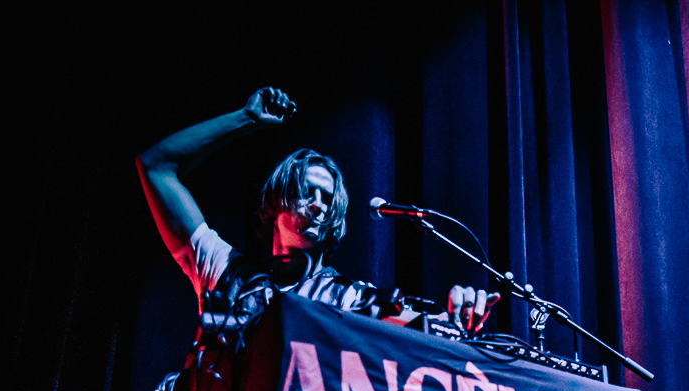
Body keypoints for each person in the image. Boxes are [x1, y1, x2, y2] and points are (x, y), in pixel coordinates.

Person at [137, 86, 498, 333]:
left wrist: (457, 316)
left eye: (328, 198)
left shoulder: (350, 298)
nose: (318, 204)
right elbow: (155, 166)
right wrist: (246, 118)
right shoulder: (227, 273)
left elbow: (426, 326)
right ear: (274, 203)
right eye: (305, 192)